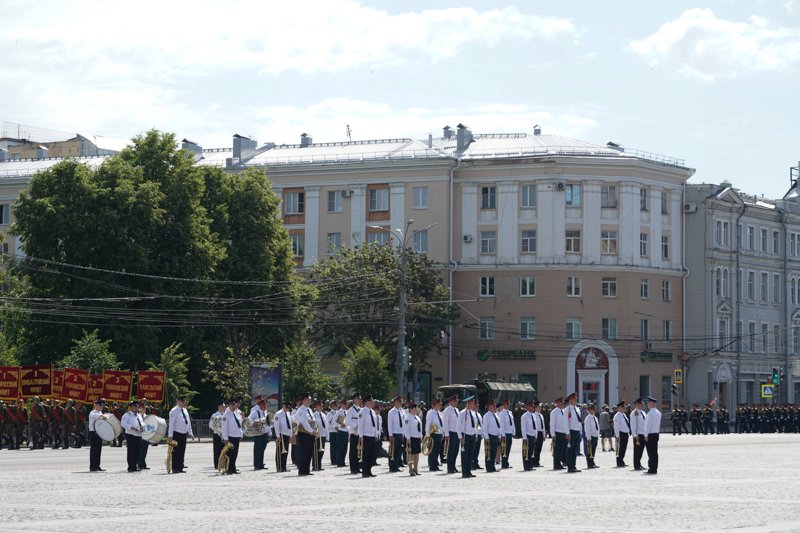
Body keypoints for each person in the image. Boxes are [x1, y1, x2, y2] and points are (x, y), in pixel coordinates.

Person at [167, 396, 194, 474]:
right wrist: (170, 436)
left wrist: (190, 433)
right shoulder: (173, 411)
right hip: (176, 433)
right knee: (176, 452)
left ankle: (180, 467)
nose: (183, 402)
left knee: (182, 451)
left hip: (183, 434)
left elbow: (188, 422)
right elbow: (171, 424)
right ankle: (175, 468)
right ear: (178, 401)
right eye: (182, 401)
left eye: (184, 401)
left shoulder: (185, 410)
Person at [294, 394, 317, 476]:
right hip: (304, 434)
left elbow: (313, 421)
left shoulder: (309, 410)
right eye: (308, 400)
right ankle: (302, 470)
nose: (309, 401)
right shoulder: (301, 410)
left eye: (310, 400)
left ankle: (307, 470)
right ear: (303, 401)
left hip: (310, 434)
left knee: (309, 452)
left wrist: (315, 430)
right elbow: (303, 422)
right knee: (303, 453)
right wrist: (311, 430)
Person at [457, 396, 478, 478]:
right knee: (464, 455)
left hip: (472, 435)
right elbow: (458, 426)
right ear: (468, 403)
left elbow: (476, 425)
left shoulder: (473, 413)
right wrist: (460, 437)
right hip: (465, 436)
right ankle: (464, 472)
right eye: (472, 403)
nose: (473, 405)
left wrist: (476, 434)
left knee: (470, 455)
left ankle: (469, 471)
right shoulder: (462, 413)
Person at [357, 396, 378, 477]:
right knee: (366, 455)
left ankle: (369, 470)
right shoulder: (362, 412)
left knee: (372, 455)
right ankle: (365, 471)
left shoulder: (372, 411)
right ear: (366, 402)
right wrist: (361, 436)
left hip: (372, 435)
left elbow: (375, 425)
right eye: (370, 401)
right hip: (366, 435)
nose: (372, 403)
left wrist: (376, 434)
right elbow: (360, 425)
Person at [221, 398, 243, 474]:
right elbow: (224, 428)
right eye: (232, 405)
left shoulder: (237, 413)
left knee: (235, 454)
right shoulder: (226, 415)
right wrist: (225, 438)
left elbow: (239, 425)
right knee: (230, 454)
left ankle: (233, 468)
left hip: (236, 436)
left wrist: (240, 434)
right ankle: (228, 468)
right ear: (229, 405)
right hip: (230, 437)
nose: (234, 406)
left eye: (235, 405)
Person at [121, 401, 142, 472]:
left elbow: (142, 423)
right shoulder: (127, 415)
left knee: (138, 451)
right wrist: (130, 427)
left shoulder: (138, 415)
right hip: (130, 435)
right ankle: (130, 466)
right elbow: (123, 423)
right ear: (131, 407)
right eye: (135, 406)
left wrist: (143, 427)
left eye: (137, 406)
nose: (136, 408)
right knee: (131, 451)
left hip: (138, 435)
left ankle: (135, 465)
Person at [563, 393, 582, 473]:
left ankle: (573, 466)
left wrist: (580, 432)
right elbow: (565, 421)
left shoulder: (577, 409)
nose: (575, 401)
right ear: (570, 400)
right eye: (573, 399)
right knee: (570, 450)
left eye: (575, 399)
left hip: (577, 431)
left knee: (575, 450)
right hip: (571, 431)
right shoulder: (567, 409)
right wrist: (567, 432)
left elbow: (579, 421)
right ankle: (570, 467)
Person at [249, 396, 269, 471]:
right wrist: (253, 423)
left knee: (262, 449)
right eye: (264, 404)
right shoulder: (255, 412)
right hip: (258, 433)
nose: (265, 406)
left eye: (266, 404)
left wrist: (269, 433)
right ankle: (256, 465)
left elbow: (268, 423)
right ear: (260, 405)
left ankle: (261, 464)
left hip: (265, 433)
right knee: (257, 449)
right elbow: (249, 419)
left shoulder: (265, 412)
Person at [481, 399, 502, 473]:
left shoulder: (496, 415)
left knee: (494, 452)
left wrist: (499, 436)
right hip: (489, 436)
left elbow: (498, 426)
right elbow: (485, 427)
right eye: (493, 406)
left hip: (495, 436)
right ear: (489, 406)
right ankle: (488, 467)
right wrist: (486, 437)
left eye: (494, 406)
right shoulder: (486, 416)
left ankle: (492, 466)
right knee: (488, 453)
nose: (494, 407)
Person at [403, 402, 423, 476]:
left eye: (416, 409)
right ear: (410, 410)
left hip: (417, 437)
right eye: (414, 409)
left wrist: (421, 436)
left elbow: (420, 428)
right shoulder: (407, 417)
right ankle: (410, 469)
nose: (416, 410)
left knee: (416, 454)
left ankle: (416, 468)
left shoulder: (417, 417)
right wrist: (408, 438)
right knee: (410, 454)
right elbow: (406, 429)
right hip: (411, 438)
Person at [442, 395, 460, 474]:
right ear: (451, 401)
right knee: (451, 451)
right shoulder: (447, 410)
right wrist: (446, 433)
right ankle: (450, 467)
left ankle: (453, 466)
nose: (457, 402)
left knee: (455, 451)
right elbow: (445, 423)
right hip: (451, 432)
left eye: (457, 401)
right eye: (455, 401)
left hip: (457, 432)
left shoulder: (456, 410)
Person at [643, 396, 661, 474]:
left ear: (652, 403)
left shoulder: (650, 413)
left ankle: (651, 468)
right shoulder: (658, 412)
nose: (647, 404)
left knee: (650, 452)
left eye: (648, 403)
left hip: (650, 434)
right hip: (656, 433)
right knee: (654, 452)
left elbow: (647, 425)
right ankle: (654, 467)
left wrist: (645, 435)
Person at [425, 398, 444, 471]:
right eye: (439, 404)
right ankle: (432, 466)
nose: (440, 405)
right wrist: (427, 435)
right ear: (435, 405)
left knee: (437, 450)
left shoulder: (440, 413)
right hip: (433, 434)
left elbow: (441, 425)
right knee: (432, 451)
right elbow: (428, 424)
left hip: (439, 434)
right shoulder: (431, 413)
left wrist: (442, 433)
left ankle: (436, 465)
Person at [274, 401, 293, 472]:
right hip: (281, 435)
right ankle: (279, 467)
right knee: (280, 452)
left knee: (285, 452)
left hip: (287, 435)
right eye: (287, 407)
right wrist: (278, 436)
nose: (288, 409)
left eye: (288, 408)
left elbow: (290, 425)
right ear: (284, 406)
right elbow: (276, 426)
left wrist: (290, 435)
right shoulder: (278, 414)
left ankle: (284, 467)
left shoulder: (288, 414)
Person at [88, 399, 106, 472]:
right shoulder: (92, 413)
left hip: (99, 433)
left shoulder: (100, 412)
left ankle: (97, 465)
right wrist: (102, 416)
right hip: (93, 432)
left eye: (103, 406)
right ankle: (92, 466)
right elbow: (98, 416)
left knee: (98, 450)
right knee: (94, 450)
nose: (101, 407)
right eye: (100, 405)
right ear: (96, 405)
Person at [387, 396, 404, 473]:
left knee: (398, 451)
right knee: (392, 451)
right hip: (394, 433)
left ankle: (396, 465)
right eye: (399, 401)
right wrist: (390, 435)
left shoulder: (401, 411)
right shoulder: (391, 412)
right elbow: (390, 424)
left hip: (400, 433)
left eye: (401, 401)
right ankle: (392, 466)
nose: (401, 403)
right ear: (395, 402)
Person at [347, 394, 362, 474]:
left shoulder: (361, 409)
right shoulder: (351, 410)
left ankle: (358, 467)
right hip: (354, 433)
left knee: (359, 451)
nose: (359, 400)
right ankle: (353, 468)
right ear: (354, 400)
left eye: (360, 398)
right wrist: (355, 425)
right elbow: (347, 421)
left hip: (360, 434)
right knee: (353, 452)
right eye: (357, 398)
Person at [549, 397, 566, 470]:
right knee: (557, 450)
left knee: (562, 450)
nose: (563, 404)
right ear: (558, 403)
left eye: (563, 402)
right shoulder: (554, 412)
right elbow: (552, 424)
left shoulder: (564, 411)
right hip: (557, 432)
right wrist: (553, 434)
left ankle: (559, 463)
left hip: (564, 432)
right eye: (561, 403)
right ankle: (556, 465)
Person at [497, 399, 515, 469]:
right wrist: (503, 435)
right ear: (504, 405)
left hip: (509, 433)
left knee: (508, 449)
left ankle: (506, 462)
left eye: (508, 404)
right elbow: (502, 425)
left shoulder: (510, 413)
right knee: (504, 449)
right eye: (506, 404)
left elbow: (512, 423)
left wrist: (514, 432)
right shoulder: (502, 414)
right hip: (505, 434)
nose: (507, 406)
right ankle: (504, 464)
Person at [630, 398, 647, 471]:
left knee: (641, 450)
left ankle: (639, 463)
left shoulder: (643, 412)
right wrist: (634, 434)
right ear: (636, 404)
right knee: (637, 450)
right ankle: (636, 465)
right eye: (640, 404)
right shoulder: (634, 412)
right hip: (638, 434)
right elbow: (633, 424)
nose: (641, 405)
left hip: (643, 434)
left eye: (642, 404)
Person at [612, 401, 630, 467]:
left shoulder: (623, 415)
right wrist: (617, 436)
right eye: (623, 407)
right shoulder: (617, 416)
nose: (624, 408)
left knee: (624, 448)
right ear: (619, 408)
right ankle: (619, 462)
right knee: (619, 448)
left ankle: (621, 460)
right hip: (620, 434)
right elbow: (616, 427)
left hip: (625, 433)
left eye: (624, 407)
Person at [520, 400, 536, 471]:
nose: (533, 407)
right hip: (527, 436)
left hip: (532, 435)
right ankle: (526, 466)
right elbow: (523, 427)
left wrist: (536, 435)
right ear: (528, 407)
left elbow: (535, 426)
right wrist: (525, 437)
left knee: (531, 452)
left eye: (533, 406)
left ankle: (530, 465)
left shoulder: (533, 415)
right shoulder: (524, 416)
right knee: (526, 452)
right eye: (531, 406)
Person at [209, 401, 225, 469]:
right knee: (217, 450)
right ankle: (217, 465)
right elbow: (210, 425)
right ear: (219, 407)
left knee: (223, 450)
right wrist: (218, 430)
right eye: (222, 406)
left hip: (224, 435)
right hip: (217, 435)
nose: (223, 408)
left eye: (224, 406)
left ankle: (223, 464)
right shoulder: (214, 415)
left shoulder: (225, 414)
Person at [313, 399, 328, 471]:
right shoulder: (314, 415)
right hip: (317, 435)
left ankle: (319, 465)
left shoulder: (324, 415)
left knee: (322, 451)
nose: (321, 407)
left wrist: (327, 435)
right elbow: (313, 425)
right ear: (316, 406)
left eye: (321, 406)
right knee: (316, 451)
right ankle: (315, 465)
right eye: (319, 406)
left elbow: (326, 426)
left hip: (323, 434)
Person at [583, 404, 600, 469]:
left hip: (595, 436)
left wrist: (598, 435)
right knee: (589, 451)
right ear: (589, 411)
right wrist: (588, 437)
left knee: (593, 450)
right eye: (593, 410)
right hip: (590, 437)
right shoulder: (588, 418)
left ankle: (592, 462)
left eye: (594, 410)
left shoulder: (595, 417)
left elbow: (597, 427)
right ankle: (589, 464)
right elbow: (587, 429)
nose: (594, 411)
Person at [326, 400, 338, 467]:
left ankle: (337, 459)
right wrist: (334, 426)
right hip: (333, 431)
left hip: (338, 431)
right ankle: (333, 460)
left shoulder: (337, 412)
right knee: (333, 447)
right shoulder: (330, 414)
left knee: (337, 447)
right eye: (335, 405)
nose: (336, 406)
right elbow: (328, 423)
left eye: (337, 405)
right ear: (332, 406)